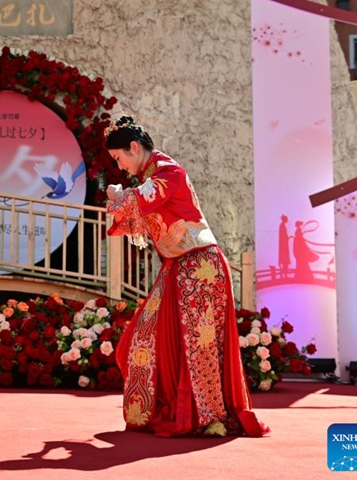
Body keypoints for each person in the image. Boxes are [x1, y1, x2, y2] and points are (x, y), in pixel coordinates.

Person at [104, 115, 269, 437]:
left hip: (200, 267)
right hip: (179, 266)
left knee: (200, 346)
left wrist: (119, 196)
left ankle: (209, 418)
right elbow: (138, 210)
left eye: (118, 157)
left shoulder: (169, 172)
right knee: (143, 338)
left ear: (134, 148)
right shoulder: (155, 175)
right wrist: (121, 198)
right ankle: (174, 410)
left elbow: (140, 200)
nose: (120, 165)